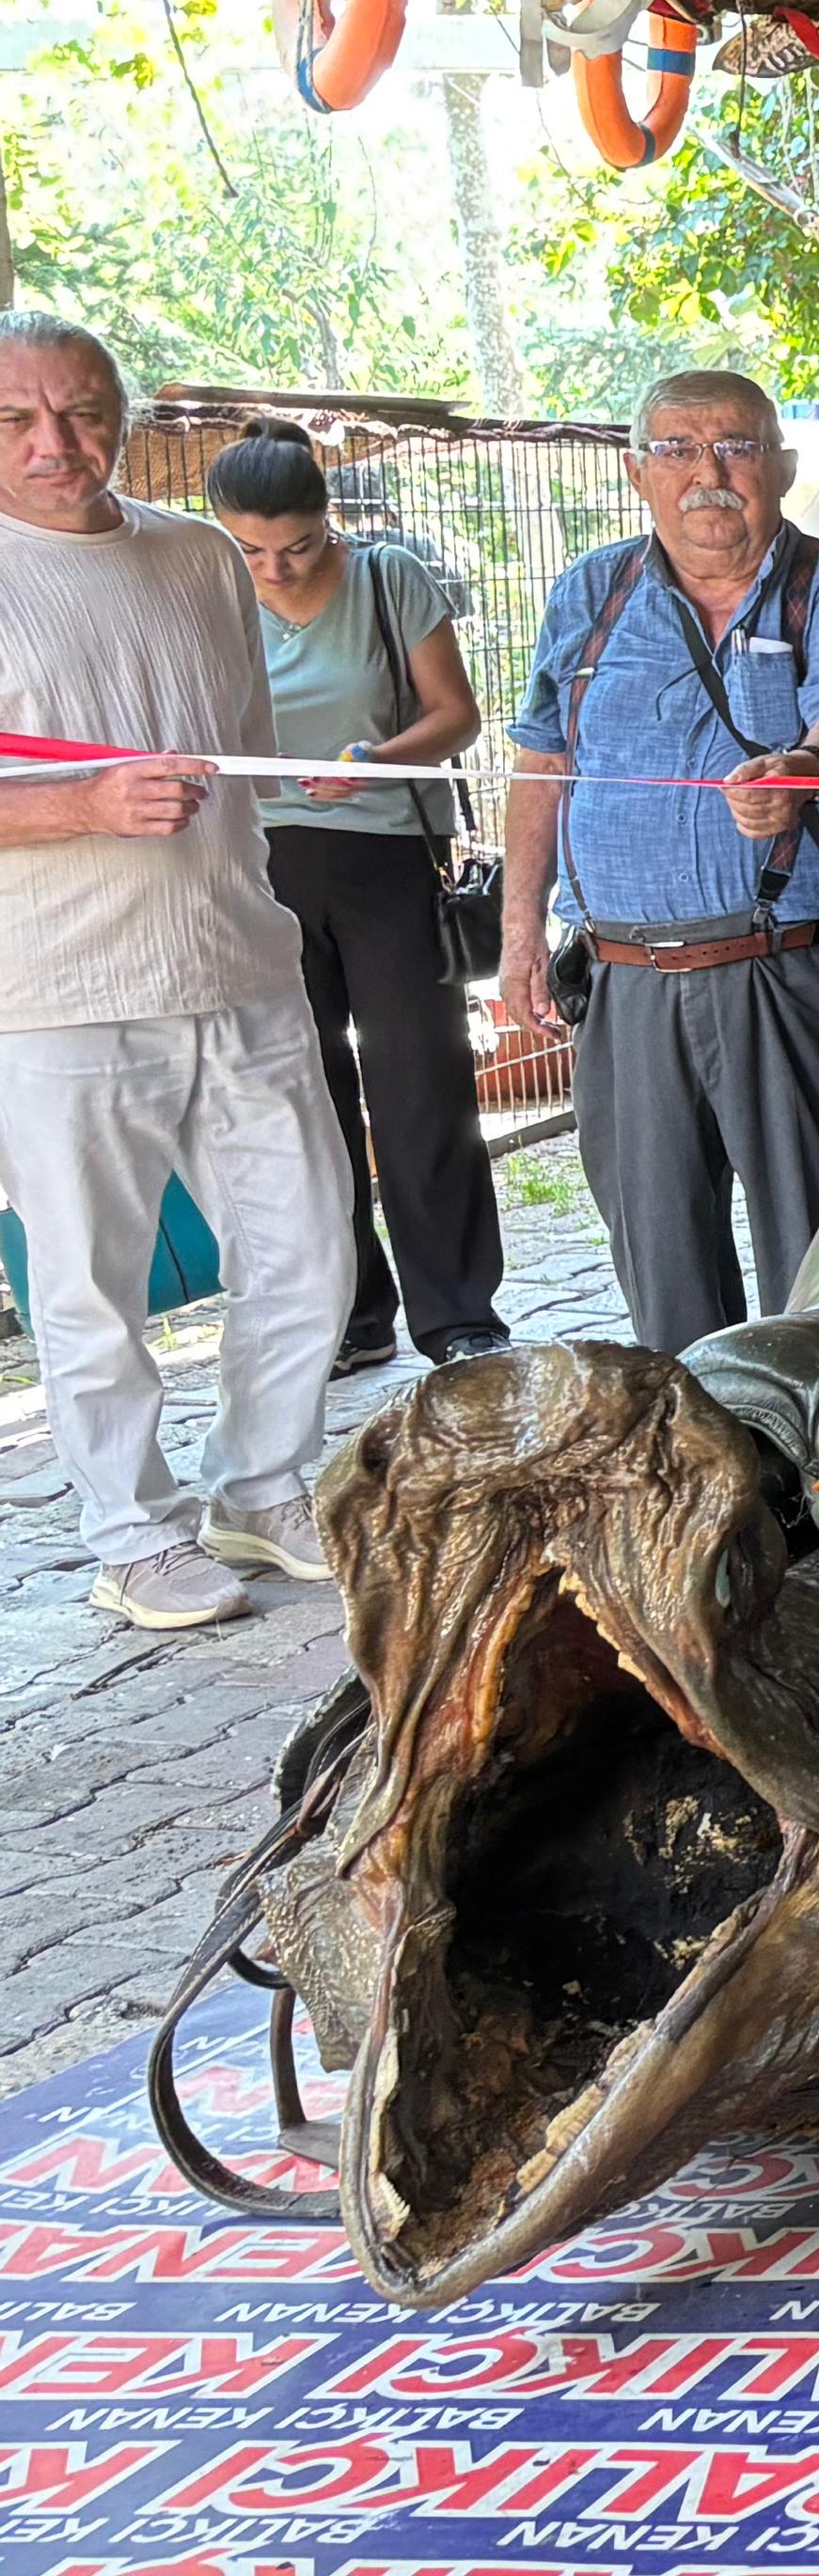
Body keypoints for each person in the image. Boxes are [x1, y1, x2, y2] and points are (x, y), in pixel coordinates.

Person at [0, 320, 360, 1631]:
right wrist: (81, 806)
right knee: (90, 1282)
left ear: (122, 415)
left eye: (86, 413)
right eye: (18, 420)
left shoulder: (202, 554)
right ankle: (128, 1533)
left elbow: (239, 759)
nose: (58, 445)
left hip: (239, 959)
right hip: (53, 992)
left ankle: (259, 1489)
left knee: (311, 1245)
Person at [499, 367, 819, 1356]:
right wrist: (519, 929)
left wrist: (803, 766)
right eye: (678, 449)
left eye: (733, 445)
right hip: (627, 976)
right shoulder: (590, 593)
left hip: (787, 965)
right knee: (659, 1256)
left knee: (817, 1264)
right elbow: (542, 761)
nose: (707, 472)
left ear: (781, 465)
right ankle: (703, 1479)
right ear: (638, 470)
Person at [206, 418, 509, 1375]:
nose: (277, 569)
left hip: (384, 855)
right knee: (304, 1100)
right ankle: (349, 1312)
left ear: (327, 518)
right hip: (258, 867)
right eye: (251, 551)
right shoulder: (206, 593)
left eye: (296, 546)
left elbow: (454, 715)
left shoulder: (388, 578)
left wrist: (377, 759)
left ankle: (457, 1314)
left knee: (421, 1086)